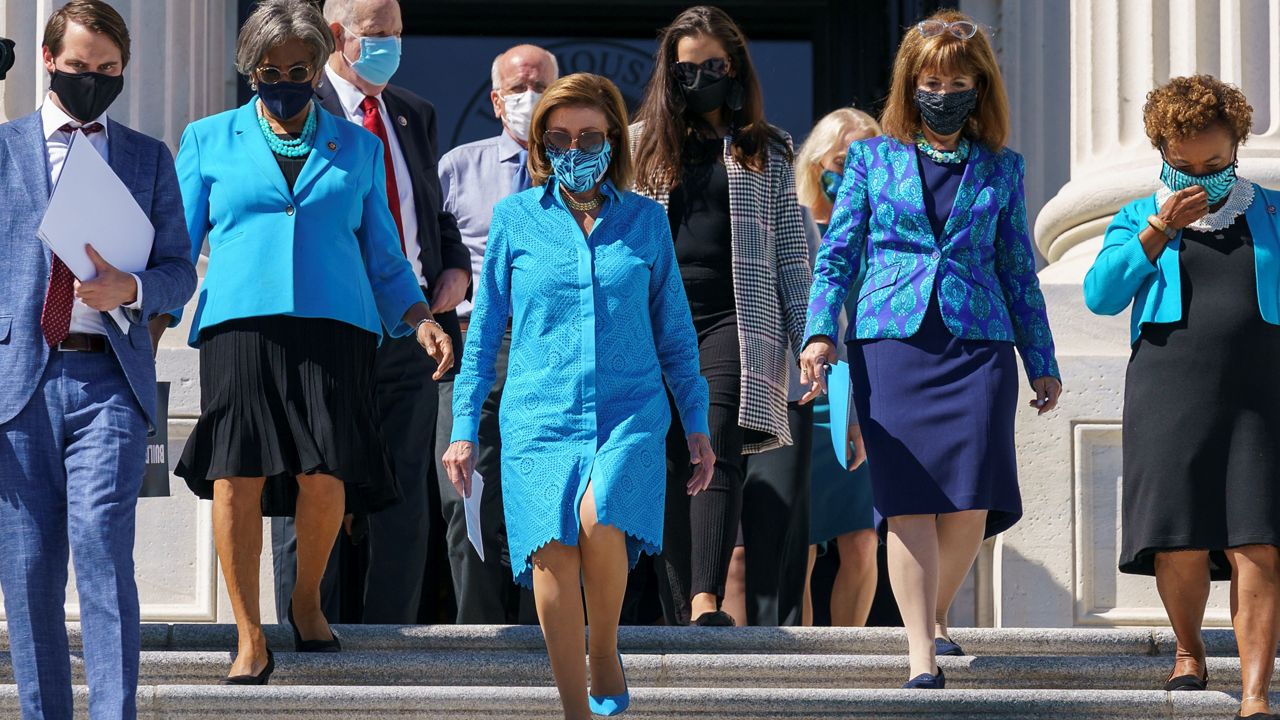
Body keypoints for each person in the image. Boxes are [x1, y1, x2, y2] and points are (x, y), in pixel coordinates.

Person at [160, 0, 452, 683]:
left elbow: (383, 253)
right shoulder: (208, 138)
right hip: (241, 326)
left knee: (326, 472)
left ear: (320, 64)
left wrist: (420, 318)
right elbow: (176, 249)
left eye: (298, 68)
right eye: (269, 70)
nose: (285, 80)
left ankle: (306, 599)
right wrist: (148, 325)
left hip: (336, 326)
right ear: (248, 71)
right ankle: (248, 633)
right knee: (238, 475)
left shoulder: (360, 146)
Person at [799, 10, 1062, 688]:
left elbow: (1017, 270)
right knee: (908, 499)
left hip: (977, 344)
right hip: (893, 341)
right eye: (931, 79)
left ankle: (937, 612)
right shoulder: (872, 158)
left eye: (958, 79)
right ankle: (920, 649)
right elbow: (837, 257)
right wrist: (821, 331)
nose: (944, 90)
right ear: (910, 85)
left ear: (981, 86)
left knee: (970, 498)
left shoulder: (1003, 168)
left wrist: (1042, 360)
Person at [442, 73, 713, 720]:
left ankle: (605, 649)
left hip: (630, 411)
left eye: (589, 135)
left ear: (614, 139)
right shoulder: (513, 221)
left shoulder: (645, 221)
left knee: (599, 520)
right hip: (538, 413)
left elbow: (675, 332)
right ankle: (572, 709)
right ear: (540, 144)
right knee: (552, 555)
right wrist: (460, 426)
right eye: (559, 137)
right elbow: (482, 338)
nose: (575, 147)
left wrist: (696, 423)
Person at [0, 2, 196, 717]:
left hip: (109, 379)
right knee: (28, 573)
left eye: (108, 70)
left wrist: (134, 287)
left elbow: (181, 268)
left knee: (103, 551)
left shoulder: (147, 157)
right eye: (80, 67)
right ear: (49, 60)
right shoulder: (2, 148)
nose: (93, 79)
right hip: (16, 384)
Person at [268, 0, 471, 627]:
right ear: (337, 36)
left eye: (399, 34)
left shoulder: (413, 113)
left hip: (412, 330)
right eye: (378, 35)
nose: (392, 46)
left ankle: (394, 641)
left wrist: (456, 265)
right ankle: (309, 633)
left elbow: (429, 214)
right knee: (312, 483)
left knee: (404, 495)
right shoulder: (296, 109)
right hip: (326, 330)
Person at [1084, 75, 1280, 720]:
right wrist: (1158, 230)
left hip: (1262, 388)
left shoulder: (1275, 211)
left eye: (1217, 163)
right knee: (1179, 537)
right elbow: (1102, 296)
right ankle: (1189, 650)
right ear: (1161, 152)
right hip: (1170, 382)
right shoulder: (1137, 216)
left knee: (1258, 538)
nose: (1202, 173)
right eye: (1184, 163)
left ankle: (1254, 696)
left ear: (1238, 147)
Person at [630, 4, 813, 628]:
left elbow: (792, 256)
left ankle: (706, 598)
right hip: (652, 318)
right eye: (686, 69)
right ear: (668, 74)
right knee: (665, 454)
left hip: (733, 319)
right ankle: (680, 604)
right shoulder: (635, 146)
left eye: (712, 65)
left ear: (733, 68)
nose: (700, 78)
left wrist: (812, 337)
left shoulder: (768, 149)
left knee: (716, 441)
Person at [434, 42, 559, 624]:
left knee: (546, 497)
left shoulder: (583, 170)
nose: (527, 97)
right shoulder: (458, 167)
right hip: (473, 343)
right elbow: (429, 253)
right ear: (495, 99)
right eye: (517, 88)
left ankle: (545, 637)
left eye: (539, 86)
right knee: (468, 491)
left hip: (554, 347)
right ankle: (479, 641)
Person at [794, 107, 881, 627]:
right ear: (818, 163)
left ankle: (850, 654)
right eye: (844, 159)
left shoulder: (891, 235)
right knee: (799, 540)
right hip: (805, 388)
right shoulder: (796, 224)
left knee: (863, 539)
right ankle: (802, 659)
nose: (853, 170)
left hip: (867, 392)